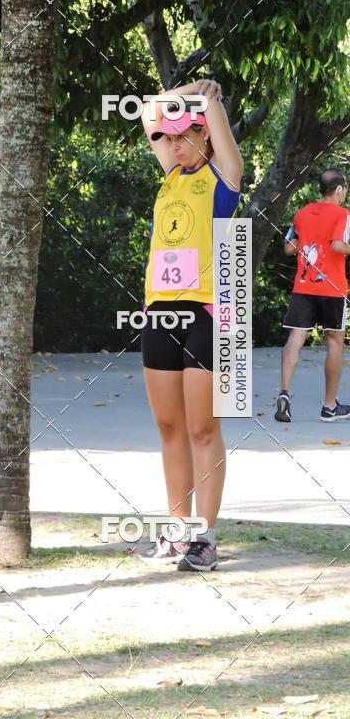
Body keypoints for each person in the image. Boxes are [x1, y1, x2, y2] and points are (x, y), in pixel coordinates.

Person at [138, 80, 243, 572]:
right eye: (171, 137)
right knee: (169, 426)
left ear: (204, 136)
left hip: (207, 314)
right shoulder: (169, 176)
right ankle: (177, 531)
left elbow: (225, 148)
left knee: (204, 428)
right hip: (160, 311)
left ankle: (205, 538)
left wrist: (209, 101)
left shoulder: (223, 182)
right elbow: (148, 113)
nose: (177, 144)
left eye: (187, 135)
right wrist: (183, 89)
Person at [275, 168, 350, 423]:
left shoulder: (302, 213)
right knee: (334, 343)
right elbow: (338, 245)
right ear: (339, 190)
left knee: (295, 337)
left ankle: (284, 392)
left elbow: (289, 247)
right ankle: (329, 407)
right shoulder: (344, 215)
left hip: (304, 287)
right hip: (332, 288)